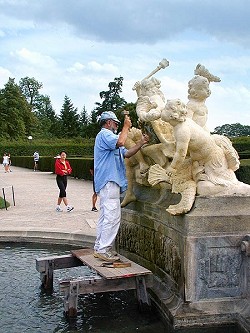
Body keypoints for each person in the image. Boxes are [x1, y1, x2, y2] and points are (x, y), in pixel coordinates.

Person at [94, 111, 149, 261]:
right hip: (109, 181)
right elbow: (120, 142)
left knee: (106, 215)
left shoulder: (110, 138)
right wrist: (126, 126)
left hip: (109, 181)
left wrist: (141, 143)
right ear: (108, 123)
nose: (117, 126)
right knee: (112, 216)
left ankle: (99, 247)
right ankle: (103, 250)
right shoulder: (105, 134)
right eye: (116, 123)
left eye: (119, 124)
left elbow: (127, 153)